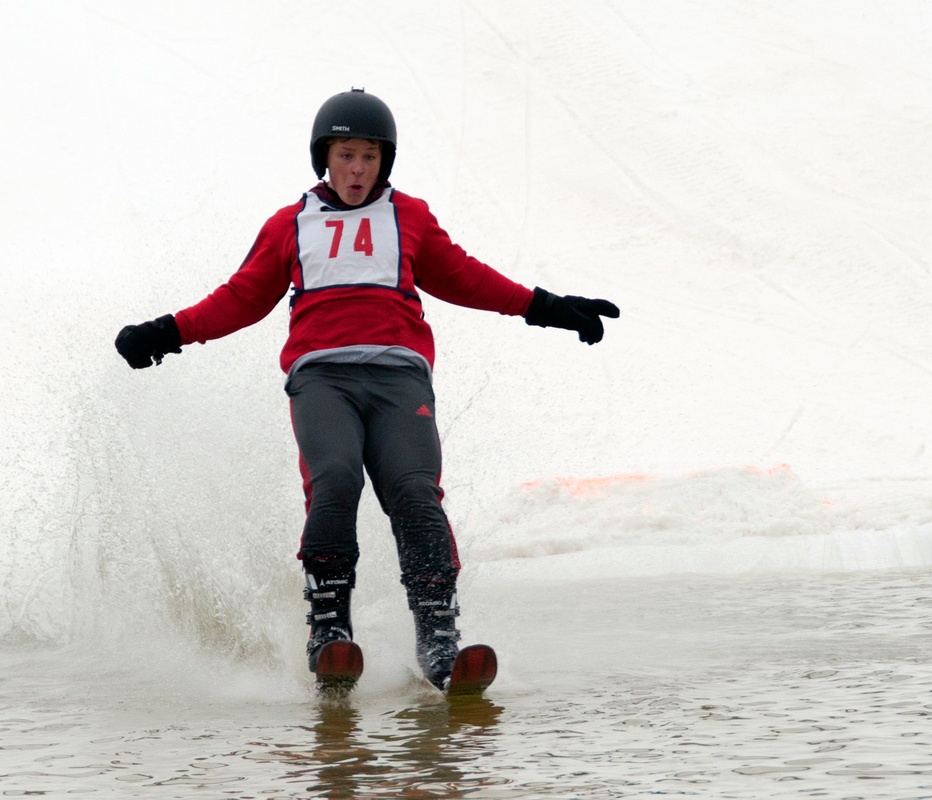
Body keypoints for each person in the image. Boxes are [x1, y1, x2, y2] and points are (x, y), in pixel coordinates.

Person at [115, 88, 619, 689]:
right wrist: (168, 331)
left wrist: (549, 307)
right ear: (324, 157)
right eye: (346, 156)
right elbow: (243, 297)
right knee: (335, 479)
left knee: (414, 492)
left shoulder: (409, 216)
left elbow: (465, 276)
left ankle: (438, 637)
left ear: (386, 162)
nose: (357, 170)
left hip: (399, 375)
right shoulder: (292, 223)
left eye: (369, 158)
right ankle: (328, 628)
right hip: (321, 377)